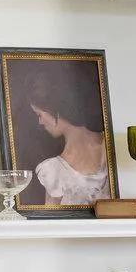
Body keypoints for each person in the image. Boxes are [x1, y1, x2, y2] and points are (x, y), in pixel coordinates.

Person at [23, 61, 112, 206]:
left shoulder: (112, 148)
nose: (40, 122)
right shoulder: (53, 170)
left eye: (39, 114)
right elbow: (50, 225)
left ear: (55, 109)